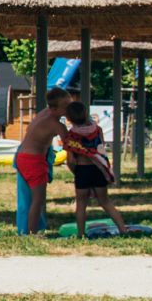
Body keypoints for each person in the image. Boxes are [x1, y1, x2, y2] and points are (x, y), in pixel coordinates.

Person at [60, 100, 128, 237]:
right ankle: (123, 229)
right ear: (86, 114)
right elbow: (100, 150)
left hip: (82, 169)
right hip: (98, 169)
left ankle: (80, 234)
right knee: (105, 201)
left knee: (81, 204)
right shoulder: (98, 130)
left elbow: (70, 160)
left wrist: (76, 172)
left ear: (68, 119)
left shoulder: (71, 136)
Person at [14, 89, 71, 234]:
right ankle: (33, 232)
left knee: (27, 198)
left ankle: (28, 228)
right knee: (38, 199)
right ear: (54, 108)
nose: (68, 108)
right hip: (34, 160)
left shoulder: (44, 113)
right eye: (65, 106)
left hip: (21, 156)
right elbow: (70, 143)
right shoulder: (56, 124)